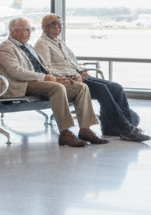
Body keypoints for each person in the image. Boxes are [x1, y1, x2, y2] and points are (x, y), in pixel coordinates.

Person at [35, 14, 147, 142]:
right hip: (68, 80)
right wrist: (68, 76)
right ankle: (126, 128)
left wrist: (81, 71)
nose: (57, 27)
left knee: (116, 87)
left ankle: (114, 128)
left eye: (59, 24)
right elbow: (45, 68)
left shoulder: (60, 42)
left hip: (78, 75)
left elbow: (72, 62)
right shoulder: (42, 44)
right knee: (102, 89)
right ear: (44, 27)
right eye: (53, 24)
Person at [0, 17, 104, 148]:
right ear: (15, 31)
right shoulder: (6, 48)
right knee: (56, 88)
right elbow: (16, 72)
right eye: (27, 30)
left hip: (38, 81)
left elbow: (43, 68)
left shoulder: (28, 47)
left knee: (81, 87)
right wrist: (45, 78)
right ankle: (65, 133)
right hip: (20, 85)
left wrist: (59, 77)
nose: (30, 33)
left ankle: (85, 129)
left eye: (30, 30)